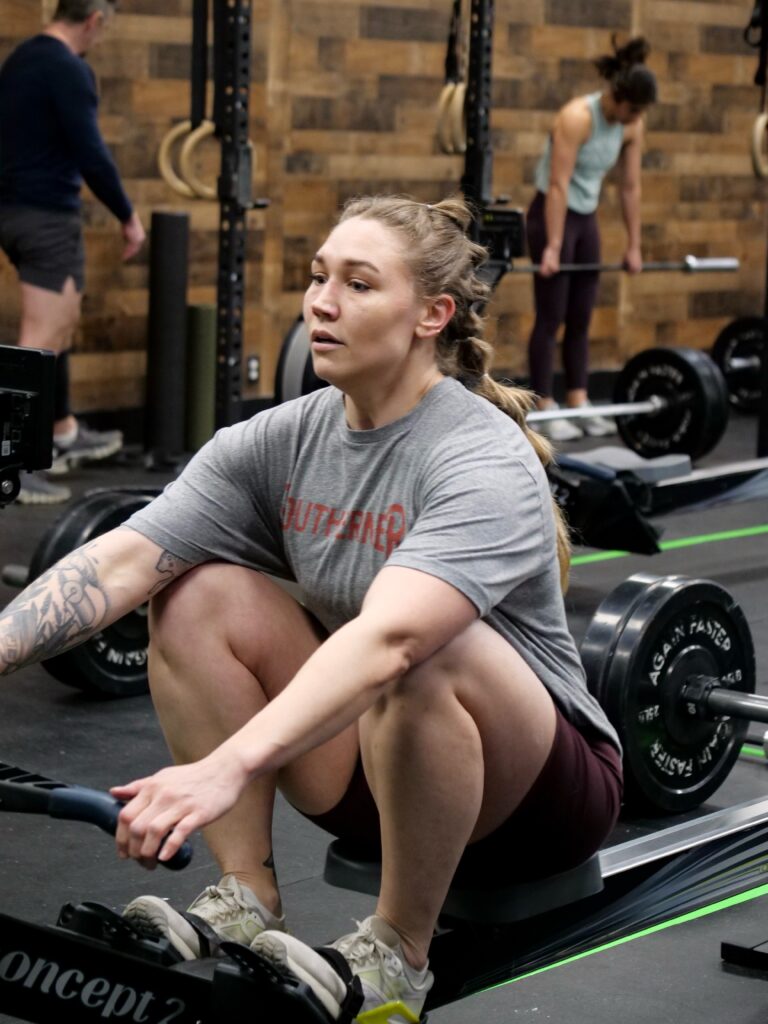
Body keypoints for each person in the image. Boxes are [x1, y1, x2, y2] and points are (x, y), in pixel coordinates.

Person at [0, 195, 622, 1023]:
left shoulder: (478, 455)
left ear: (432, 315)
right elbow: (122, 559)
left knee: (425, 647)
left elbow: (395, 638)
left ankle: (399, 951)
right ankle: (246, 893)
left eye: (360, 285)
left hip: (536, 795)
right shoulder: (280, 440)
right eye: (319, 276)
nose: (322, 302)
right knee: (195, 591)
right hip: (380, 764)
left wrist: (226, 767)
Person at [0, 0, 146, 505]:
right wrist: (127, 215)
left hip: (18, 214)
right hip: (44, 217)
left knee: (60, 324)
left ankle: (61, 429)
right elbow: (91, 152)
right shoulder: (68, 68)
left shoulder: (22, 59)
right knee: (39, 341)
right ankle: (12, 464)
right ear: (93, 21)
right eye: (102, 30)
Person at [526, 36, 658, 442]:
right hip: (552, 214)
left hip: (586, 220)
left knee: (582, 315)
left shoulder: (631, 123)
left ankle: (578, 399)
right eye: (630, 109)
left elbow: (630, 187)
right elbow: (558, 184)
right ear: (616, 95)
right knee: (552, 315)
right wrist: (552, 245)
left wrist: (633, 245)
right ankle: (545, 405)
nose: (633, 118)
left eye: (639, 113)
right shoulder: (576, 117)